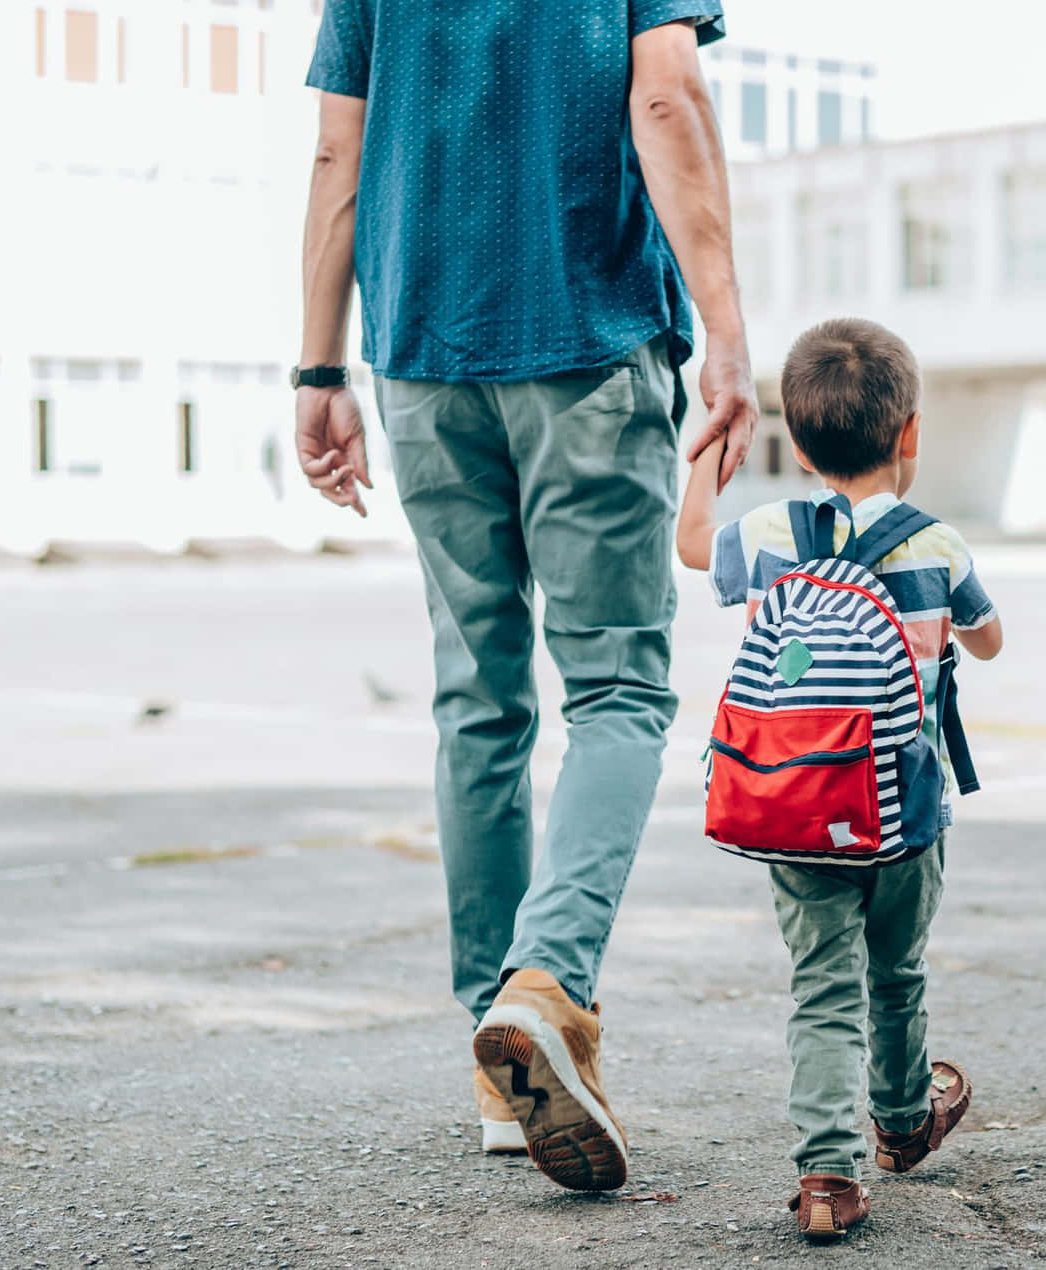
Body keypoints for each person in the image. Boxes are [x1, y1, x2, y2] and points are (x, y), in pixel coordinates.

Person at [291, 1, 757, 1193]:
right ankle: (543, 987)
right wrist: (728, 332)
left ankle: (503, 1070)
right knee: (615, 690)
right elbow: (665, 97)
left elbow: (340, 152)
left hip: (419, 350)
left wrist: (316, 364)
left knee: (479, 703)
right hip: (582, 338)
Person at [675, 317, 1004, 1240]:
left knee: (823, 985)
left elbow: (692, 541)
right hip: (906, 817)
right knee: (894, 973)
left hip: (796, 806)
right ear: (910, 435)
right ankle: (901, 1124)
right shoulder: (936, 546)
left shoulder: (773, 533)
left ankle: (828, 1177)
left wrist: (710, 442)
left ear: (802, 441)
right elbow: (989, 636)